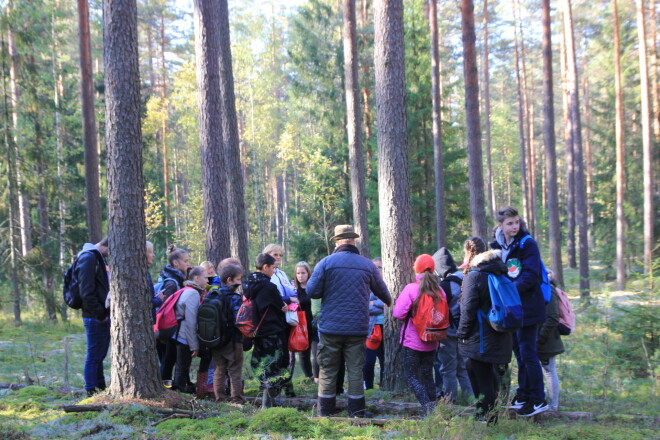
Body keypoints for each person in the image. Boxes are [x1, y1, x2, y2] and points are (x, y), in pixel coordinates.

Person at [307, 224, 392, 417]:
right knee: (355, 370)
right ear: (353, 240)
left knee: (328, 370)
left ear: (337, 241)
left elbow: (312, 291)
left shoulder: (326, 263)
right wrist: (387, 301)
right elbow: (384, 293)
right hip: (357, 328)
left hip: (331, 328)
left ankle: (325, 413)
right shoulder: (368, 265)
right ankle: (357, 412)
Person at [491, 206, 548, 416]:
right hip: (512, 309)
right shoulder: (498, 246)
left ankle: (538, 399)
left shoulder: (527, 244)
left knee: (528, 353)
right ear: (501, 225)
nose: (514, 227)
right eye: (510, 223)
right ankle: (524, 395)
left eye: (516, 222)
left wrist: (508, 291)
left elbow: (531, 275)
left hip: (529, 307)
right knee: (519, 352)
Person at [457, 242, 513, 423]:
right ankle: (489, 416)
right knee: (490, 376)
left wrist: (462, 333)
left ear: (469, 254)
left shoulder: (475, 276)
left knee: (482, 378)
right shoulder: (500, 270)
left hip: (480, 336)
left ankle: (487, 418)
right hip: (501, 332)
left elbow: (467, 309)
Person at [393, 254, 443, 415]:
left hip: (412, 341)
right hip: (433, 339)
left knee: (410, 375)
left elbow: (398, 313)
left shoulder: (412, 288)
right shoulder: (439, 290)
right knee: (427, 374)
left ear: (417, 268)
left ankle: (427, 406)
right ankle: (433, 406)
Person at [246, 253, 290, 409]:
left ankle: (265, 394)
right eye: (273, 268)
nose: (274, 271)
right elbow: (280, 306)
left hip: (256, 330)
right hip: (272, 330)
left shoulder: (248, 283)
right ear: (265, 267)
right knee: (276, 363)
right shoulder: (269, 287)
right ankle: (269, 402)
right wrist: (284, 307)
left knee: (261, 363)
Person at [433, 247, 473, 403]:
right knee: (462, 368)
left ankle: (450, 401)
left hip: (449, 332)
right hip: (466, 331)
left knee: (447, 368)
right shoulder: (465, 278)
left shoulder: (445, 285)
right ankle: (470, 400)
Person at [161, 266, 207, 393]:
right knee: (181, 368)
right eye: (205, 278)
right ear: (196, 278)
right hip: (183, 337)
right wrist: (194, 346)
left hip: (173, 333)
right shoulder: (193, 293)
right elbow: (191, 321)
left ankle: (166, 390)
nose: (207, 281)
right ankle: (179, 393)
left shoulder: (184, 289)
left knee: (168, 364)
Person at [263, 244, 298, 397]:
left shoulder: (282, 274)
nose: (278, 257)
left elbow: (291, 292)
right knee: (275, 356)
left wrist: (292, 302)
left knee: (286, 355)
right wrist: (285, 300)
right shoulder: (265, 275)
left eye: (280, 255)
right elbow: (269, 296)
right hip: (272, 319)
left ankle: (286, 386)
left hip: (287, 317)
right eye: (274, 254)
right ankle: (270, 389)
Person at [77, 237, 110, 396]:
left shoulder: (96, 257)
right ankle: (91, 389)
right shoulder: (89, 257)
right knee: (94, 355)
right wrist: (100, 314)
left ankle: (100, 387)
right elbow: (86, 292)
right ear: (107, 247)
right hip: (94, 316)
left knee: (99, 354)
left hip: (98, 315)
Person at [211, 264, 246, 403]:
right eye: (238, 279)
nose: (240, 283)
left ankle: (219, 398)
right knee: (235, 369)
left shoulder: (212, 295)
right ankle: (236, 399)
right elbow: (239, 320)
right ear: (230, 280)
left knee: (219, 368)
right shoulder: (234, 298)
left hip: (214, 339)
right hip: (232, 340)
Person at [537, 270, 565, 411]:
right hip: (543, 337)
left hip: (547, 339)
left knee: (548, 370)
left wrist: (540, 338)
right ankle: (542, 401)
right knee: (544, 370)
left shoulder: (549, 289)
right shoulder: (542, 287)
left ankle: (553, 405)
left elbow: (553, 317)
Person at [290, 261, 318, 382]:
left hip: (314, 324)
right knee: (303, 353)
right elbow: (289, 305)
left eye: (303, 273)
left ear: (308, 273)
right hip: (300, 325)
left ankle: (317, 378)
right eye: (298, 273)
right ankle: (309, 377)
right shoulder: (293, 289)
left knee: (317, 353)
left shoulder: (314, 287)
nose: (300, 275)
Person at [364, 258, 386, 390]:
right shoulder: (365, 285)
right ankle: (369, 388)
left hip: (386, 328)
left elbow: (388, 303)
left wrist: (372, 303)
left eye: (379, 267)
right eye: (373, 268)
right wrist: (378, 304)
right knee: (369, 361)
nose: (375, 270)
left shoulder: (389, 284)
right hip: (370, 328)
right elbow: (362, 305)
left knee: (385, 360)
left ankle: (384, 387)